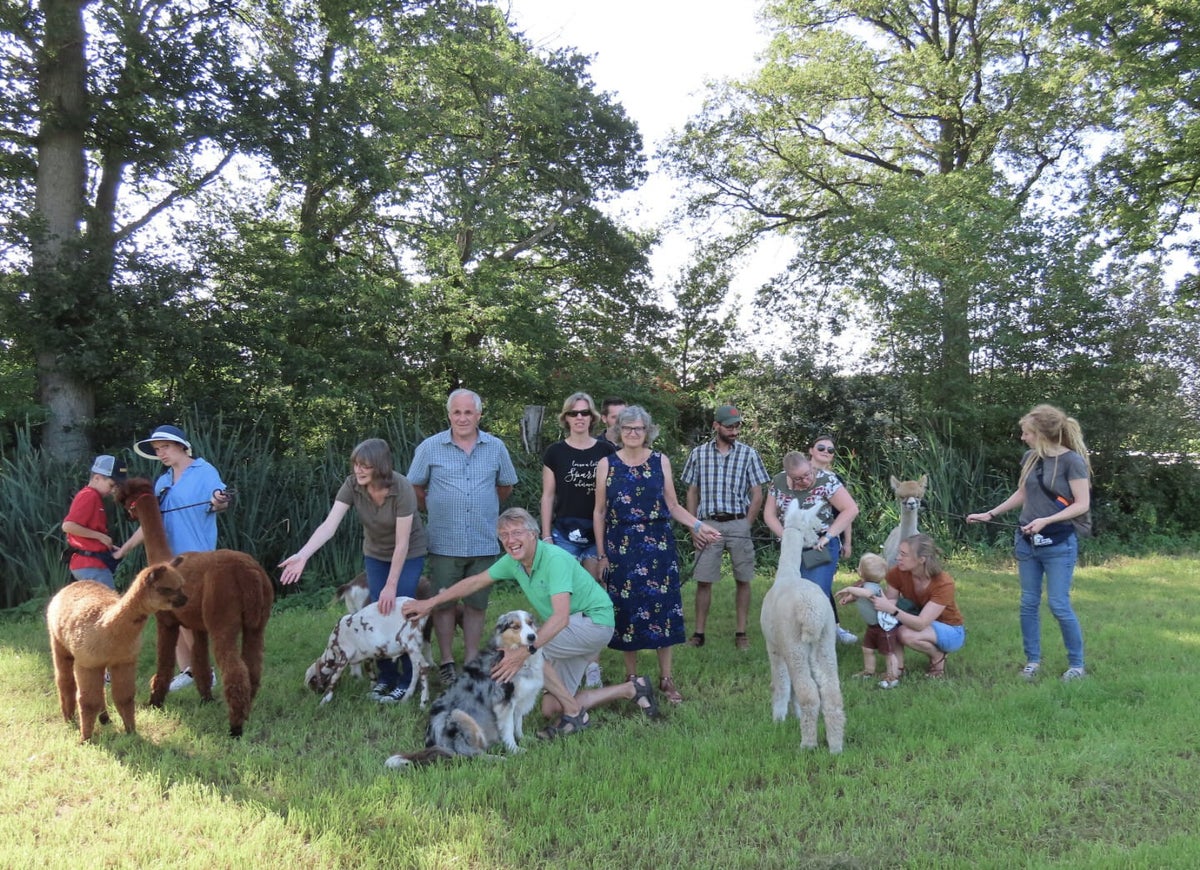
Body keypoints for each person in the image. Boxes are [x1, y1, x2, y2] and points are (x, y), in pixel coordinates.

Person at [401, 508, 660, 738]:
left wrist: (524, 653)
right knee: (550, 707)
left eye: (517, 532)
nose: (510, 540)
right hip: (571, 627)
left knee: (525, 651)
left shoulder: (554, 559)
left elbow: (560, 617)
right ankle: (631, 689)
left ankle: (575, 714)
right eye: (504, 535)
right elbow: (475, 582)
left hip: (593, 624)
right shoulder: (514, 562)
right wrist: (430, 603)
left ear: (533, 534)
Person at [279, 438, 428, 702]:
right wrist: (302, 555)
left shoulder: (402, 487)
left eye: (365, 465)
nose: (358, 470)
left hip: (408, 553)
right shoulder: (352, 485)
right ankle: (385, 677)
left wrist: (391, 585)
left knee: (402, 612)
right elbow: (329, 526)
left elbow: (402, 543)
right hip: (375, 553)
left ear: (380, 466)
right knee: (379, 611)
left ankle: (407, 681)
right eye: (356, 464)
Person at [593, 405, 721, 704]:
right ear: (619, 431)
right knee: (626, 610)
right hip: (621, 546)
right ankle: (632, 679)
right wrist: (601, 554)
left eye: (638, 428)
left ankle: (666, 678)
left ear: (647, 430)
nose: (633, 433)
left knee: (664, 609)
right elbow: (599, 512)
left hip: (658, 545)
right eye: (627, 428)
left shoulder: (660, 460)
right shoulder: (606, 463)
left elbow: (673, 506)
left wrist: (699, 525)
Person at [966, 404, 1091, 681]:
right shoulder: (1030, 458)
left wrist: (1047, 520)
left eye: (1027, 433)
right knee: (1028, 603)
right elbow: (1023, 493)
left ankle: (1077, 665)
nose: (1023, 437)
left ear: (1042, 433)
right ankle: (1032, 662)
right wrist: (990, 514)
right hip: (1027, 542)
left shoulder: (1072, 462)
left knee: (1058, 604)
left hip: (1059, 543)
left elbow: (1082, 504)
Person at [408, 388, 519, 683]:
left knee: (476, 604)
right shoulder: (430, 447)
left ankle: (471, 661)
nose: (462, 418)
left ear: (478, 415)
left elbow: (505, 486)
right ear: (449, 415)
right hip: (445, 540)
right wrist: (434, 506)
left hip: (483, 539)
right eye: (457, 412)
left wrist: (484, 506)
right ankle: (446, 661)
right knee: (443, 603)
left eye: (468, 412)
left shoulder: (495, 447)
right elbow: (414, 487)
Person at [116, 424, 229, 691]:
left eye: (165, 447)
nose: (161, 453)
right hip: (166, 561)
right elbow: (151, 522)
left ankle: (206, 671)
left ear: (181, 446)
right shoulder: (163, 481)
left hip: (196, 558)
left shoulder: (204, 471)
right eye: (157, 450)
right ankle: (188, 670)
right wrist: (123, 550)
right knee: (167, 612)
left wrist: (218, 500)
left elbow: (220, 501)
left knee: (188, 615)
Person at [680, 403, 770, 651]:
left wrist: (747, 524)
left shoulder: (748, 454)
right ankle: (699, 634)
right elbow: (692, 492)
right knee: (704, 580)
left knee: (743, 578)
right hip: (707, 523)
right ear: (716, 426)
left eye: (737, 426)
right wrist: (694, 527)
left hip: (738, 521)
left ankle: (741, 633)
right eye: (729, 427)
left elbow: (757, 493)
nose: (734, 431)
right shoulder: (698, 454)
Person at [540, 392, 614, 688]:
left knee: (595, 598)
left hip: (597, 535)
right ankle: (566, 659)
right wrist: (546, 535)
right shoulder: (555, 452)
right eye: (574, 413)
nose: (579, 418)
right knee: (565, 599)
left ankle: (592, 665)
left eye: (584, 413)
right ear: (566, 418)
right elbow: (548, 496)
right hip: (564, 534)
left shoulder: (606, 450)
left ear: (592, 417)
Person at [762, 452, 858, 625]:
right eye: (798, 479)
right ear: (788, 475)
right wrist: (786, 536)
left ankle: (821, 633)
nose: (805, 480)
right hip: (792, 545)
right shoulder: (778, 481)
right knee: (790, 592)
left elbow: (850, 509)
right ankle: (795, 632)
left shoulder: (826, 480)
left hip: (820, 544)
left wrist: (828, 536)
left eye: (807, 474)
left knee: (815, 593)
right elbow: (769, 514)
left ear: (809, 464)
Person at [866, 534, 965, 678]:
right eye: (899, 553)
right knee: (891, 624)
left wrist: (891, 609)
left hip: (951, 630)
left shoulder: (943, 583)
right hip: (921, 621)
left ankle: (938, 656)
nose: (898, 558)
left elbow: (920, 624)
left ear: (921, 559)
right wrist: (860, 594)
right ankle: (897, 669)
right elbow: (891, 600)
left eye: (904, 554)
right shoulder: (898, 572)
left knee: (904, 633)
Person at [808, 433, 860, 645]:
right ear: (811, 451)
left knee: (820, 585)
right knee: (809, 585)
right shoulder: (796, 476)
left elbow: (845, 514)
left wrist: (847, 542)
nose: (826, 452)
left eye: (830, 450)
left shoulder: (834, 480)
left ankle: (833, 630)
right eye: (821, 447)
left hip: (824, 543)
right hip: (799, 541)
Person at [62, 455, 128, 589]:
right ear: (97, 478)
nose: (113, 490)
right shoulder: (89, 495)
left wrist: (107, 545)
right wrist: (101, 537)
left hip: (89, 563)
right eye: (111, 485)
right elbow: (68, 526)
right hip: (90, 565)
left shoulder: (93, 496)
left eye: (116, 486)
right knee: (109, 601)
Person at [836, 553, 901, 688]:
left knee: (888, 653)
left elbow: (867, 594)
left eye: (859, 567)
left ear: (861, 571)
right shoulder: (863, 585)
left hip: (884, 627)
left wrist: (849, 588)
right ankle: (869, 672)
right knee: (867, 649)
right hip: (873, 626)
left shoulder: (872, 587)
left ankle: (892, 677)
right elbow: (858, 595)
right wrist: (848, 599)